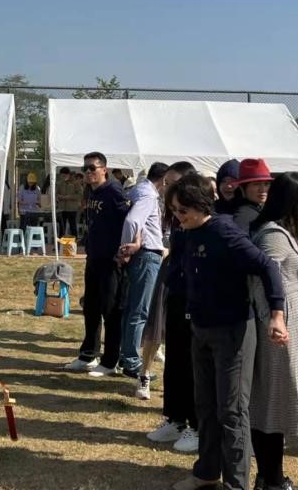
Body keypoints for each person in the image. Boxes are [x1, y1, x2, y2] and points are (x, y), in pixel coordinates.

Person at [169, 173, 287, 490]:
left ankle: (236, 484)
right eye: (174, 211)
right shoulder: (187, 233)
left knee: (232, 411)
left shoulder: (224, 231)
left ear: (200, 205)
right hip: (200, 329)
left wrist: (277, 315)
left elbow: (267, 266)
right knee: (205, 407)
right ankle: (207, 472)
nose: (178, 217)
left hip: (232, 332)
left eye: (183, 210)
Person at [249, 174, 298, 490]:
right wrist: (272, 319)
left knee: (274, 402)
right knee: (272, 403)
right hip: (279, 327)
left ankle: (270, 476)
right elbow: (260, 280)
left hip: (285, 320)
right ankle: (272, 478)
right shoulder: (273, 236)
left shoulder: (276, 232)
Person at [147, 161, 201, 450]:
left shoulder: (201, 220)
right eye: (165, 183)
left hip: (196, 301)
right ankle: (175, 418)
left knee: (192, 364)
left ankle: (196, 425)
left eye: (172, 183)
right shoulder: (176, 219)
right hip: (177, 296)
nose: (165, 188)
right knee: (175, 359)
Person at [63, 152, 131, 376]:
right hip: (94, 257)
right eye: (85, 168)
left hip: (111, 260)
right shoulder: (91, 191)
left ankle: (110, 361)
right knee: (91, 308)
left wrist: (125, 250)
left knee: (110, 311)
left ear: (104, 169)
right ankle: (88, 355)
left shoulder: (114, 191)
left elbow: (130, 221)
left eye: (92, 168)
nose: (88, 172)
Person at [115, 163, 170, 386]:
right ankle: (131, 360)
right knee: (140, 310)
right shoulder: (148, 195)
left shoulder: (139, 191)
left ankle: (126, 355)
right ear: (164, 180)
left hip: (144, 254)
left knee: (133, 308)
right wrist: (127, 249)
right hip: (147, 255)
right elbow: (132, 221)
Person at [232, 159, 272, 232]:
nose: (262, 189)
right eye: (256, 184)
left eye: (266, 184)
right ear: (242, 188)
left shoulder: (261, 209)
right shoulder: (243, 216)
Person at [56, 167, 82, 238]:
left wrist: (69, 197)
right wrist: (58, 196)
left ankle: (74, 241)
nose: (63, 177)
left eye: (64, 175)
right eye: (62, 176)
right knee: (61, 226)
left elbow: (79, 195)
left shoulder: (75, 183)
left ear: (68, 174)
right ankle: (60, 242)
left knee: (72, 226)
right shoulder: (60, 183)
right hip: (62, 208)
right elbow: (56, 193)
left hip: (72, 208)